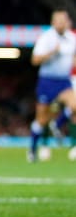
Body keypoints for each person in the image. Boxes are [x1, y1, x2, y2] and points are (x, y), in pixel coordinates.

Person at [27, 9, 76, 163]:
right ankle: (32, 149)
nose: (61, 23)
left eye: (64, 20)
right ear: (53, 22)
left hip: (64, 81)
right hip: (47, 81)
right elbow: (34, 60)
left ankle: (57, 123)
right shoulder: (46, 38)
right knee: (41, 119)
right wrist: (51, 53)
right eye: (58, 20)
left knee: (75, 104)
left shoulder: (72, 38)